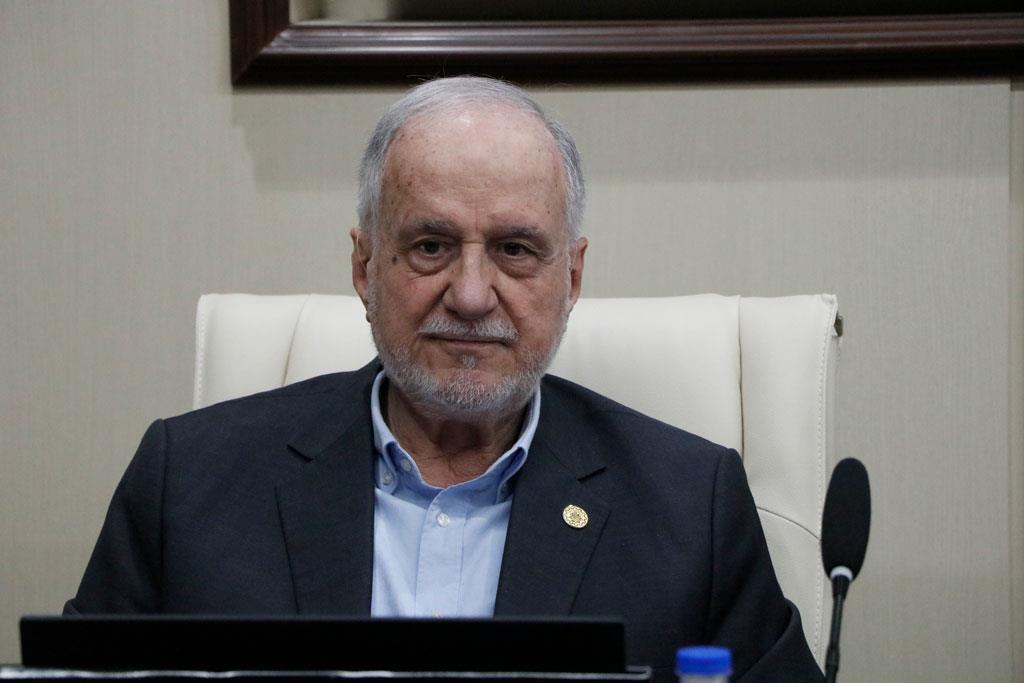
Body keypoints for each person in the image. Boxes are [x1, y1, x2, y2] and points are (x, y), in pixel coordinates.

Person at [66, 77, 823, 681]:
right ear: (365, 266)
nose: (470, 294)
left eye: (515, 250)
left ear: (571, 277)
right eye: (430, 245)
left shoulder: (693, 509)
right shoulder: (186, 482)